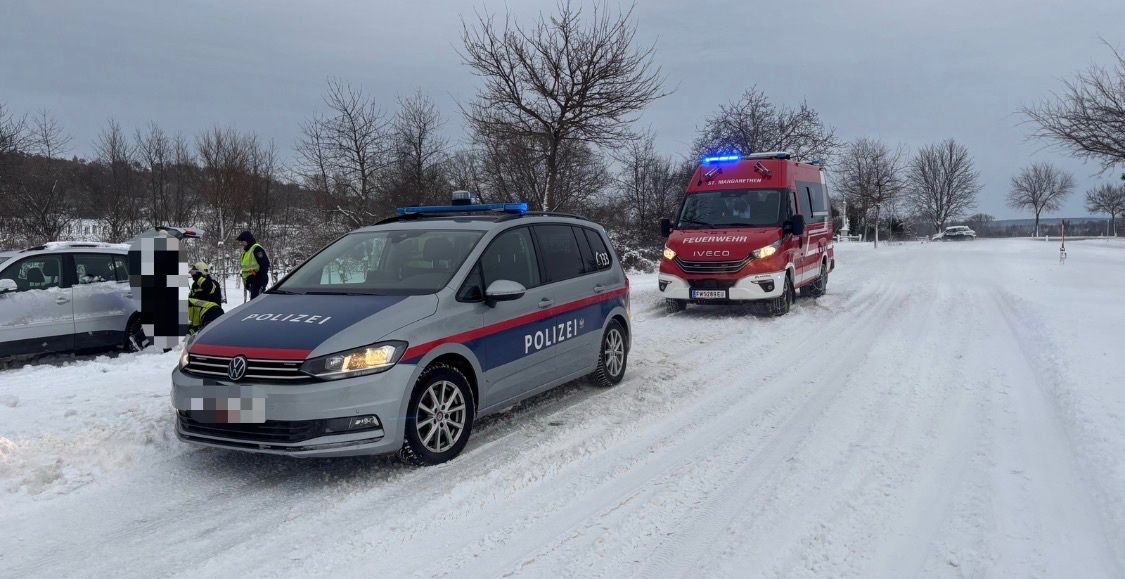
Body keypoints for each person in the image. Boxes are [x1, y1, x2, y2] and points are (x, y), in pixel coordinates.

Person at [236, 230, 270, 299]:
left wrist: (255, 278)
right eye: (240, 242)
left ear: (247, 240)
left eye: (242, 241)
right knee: (254, 304)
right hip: (251, 282)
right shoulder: (247, 251)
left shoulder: (256, 249)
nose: (241, 243)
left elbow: (265, 265)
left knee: (257, 305)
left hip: (258, 282)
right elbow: (249, 268)